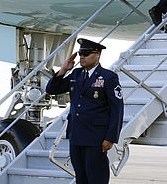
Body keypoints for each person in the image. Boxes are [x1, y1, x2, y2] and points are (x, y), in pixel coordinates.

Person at [46, 38, 124, 184]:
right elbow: (52, 89)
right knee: (81, 178)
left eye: (86, 53)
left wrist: (110, 138)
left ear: (97, 55)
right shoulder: (76, 74)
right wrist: (63, 69)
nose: (82, 56)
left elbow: (117, 109)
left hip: (96, 138)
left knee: (96, 178)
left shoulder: (108, 77)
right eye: (81, 53)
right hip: (76, 135)